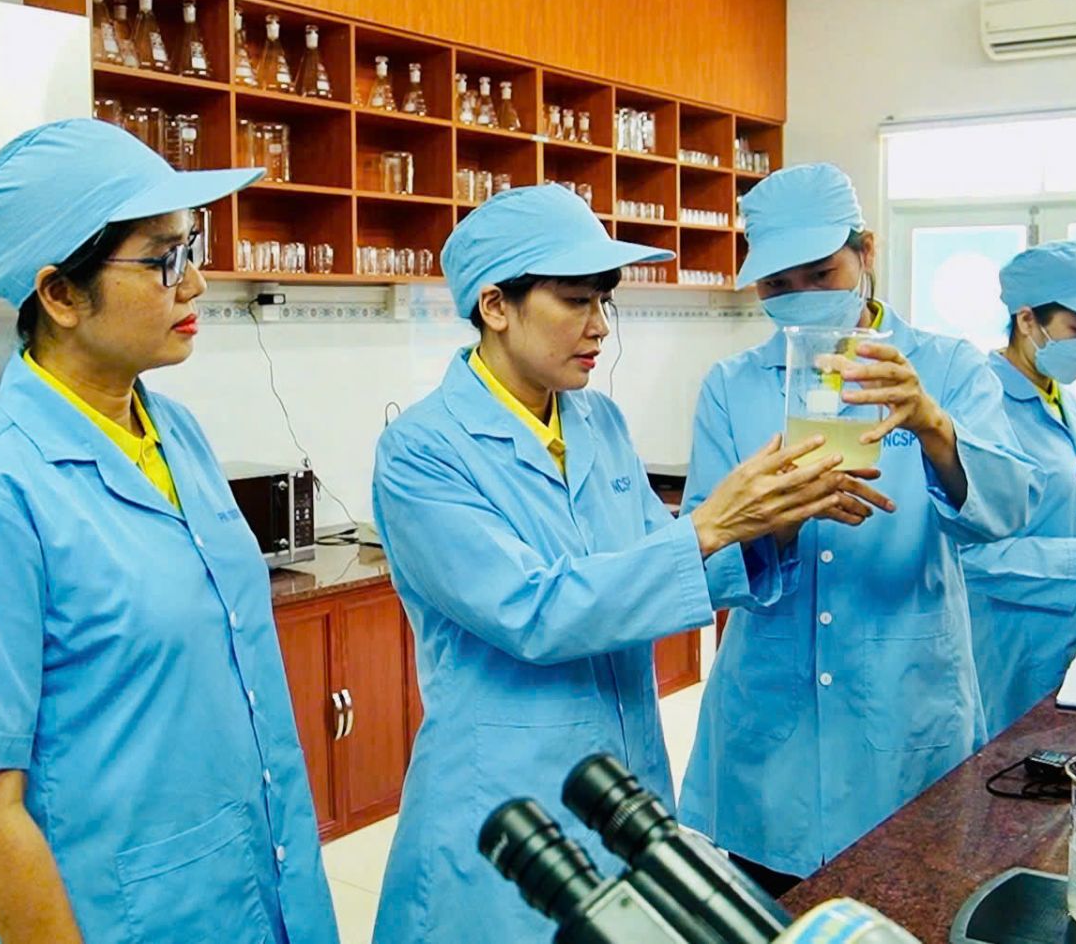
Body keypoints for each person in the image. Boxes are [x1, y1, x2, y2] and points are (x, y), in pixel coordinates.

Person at [369, 184, 893, 943]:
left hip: (623, 779)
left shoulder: (597, 420)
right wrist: (709, 525)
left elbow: (660, 567)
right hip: (504, 798)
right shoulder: (422, 450)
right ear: (495, 306)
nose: (600, 326)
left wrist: (771, 525)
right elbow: (535, 612)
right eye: (577, 301)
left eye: (604, 301)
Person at [0, 119, 337, 944]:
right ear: (60, 295)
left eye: (191, 247)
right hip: (120, 917)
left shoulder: (177, 436)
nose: (194, 283)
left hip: (257, 887)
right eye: (163, 259)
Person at [676, 162, 1035, 895]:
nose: (803, 297)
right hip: (770, 731)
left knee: (911, 907)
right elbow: (700, 563)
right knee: (774, 916)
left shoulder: (947, 366)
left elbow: (1007, 512)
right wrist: (775, 523)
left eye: (820, 273)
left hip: (905, 712)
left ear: (866, 251)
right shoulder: (733, 387)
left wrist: (931, 424)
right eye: (779, 284)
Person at [962, 241, 1076, 737]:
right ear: (1027, 320)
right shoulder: (979, 407)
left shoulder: (1072, 408)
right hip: (1011, 649)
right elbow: (963, 559)